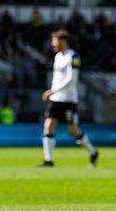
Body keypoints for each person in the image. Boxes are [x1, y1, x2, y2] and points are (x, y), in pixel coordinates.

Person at [39, 29, 99, 167]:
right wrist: (54, 92)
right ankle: (49, 160)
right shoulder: (58, 56)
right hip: (56, 99)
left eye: (55, 41)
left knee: (73, 130)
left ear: (63, 41)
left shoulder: (74, 56)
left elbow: (72, 80)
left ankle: (93, 151)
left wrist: (53, 90)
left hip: (68, 101)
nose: (53, 44)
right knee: (48, 127)